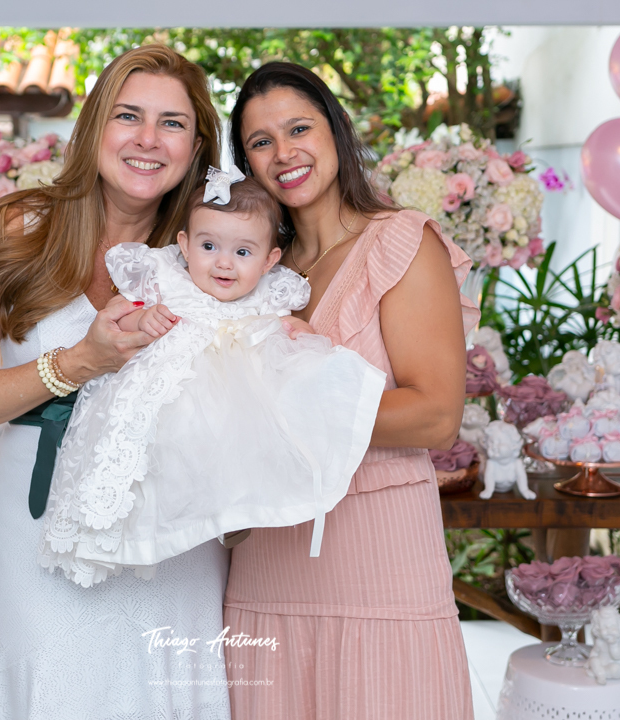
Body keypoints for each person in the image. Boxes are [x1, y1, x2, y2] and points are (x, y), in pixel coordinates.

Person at [0, 46, 231, 719]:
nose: (148, 140)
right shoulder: (17, 232)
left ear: (197, 145)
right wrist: (74, 364)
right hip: (40, 542)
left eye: (173, 123)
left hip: (172, 545)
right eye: (129, 115)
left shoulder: (213, 254)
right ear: (94, 125)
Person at [223, 62, 479, 719]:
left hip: (380, 565)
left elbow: (435, 416)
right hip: (266, 565)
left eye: (298, 128)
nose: (284, 153)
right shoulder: (250, 273)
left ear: (335, 131)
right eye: (260, 142)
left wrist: (279, 411)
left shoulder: (400, 243)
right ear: (245, 164)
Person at [39, 173, 385, 587]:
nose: (223, 262)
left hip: (235, 409)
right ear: (184, 245)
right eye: (208, 247)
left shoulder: (269, 295)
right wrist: (142, 317)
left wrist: (303, 334)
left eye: (242, 251)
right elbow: (123, 320)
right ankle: (138, 528)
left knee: (255, 436)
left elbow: (286, 331)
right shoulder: (169, 280)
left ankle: (237, 512)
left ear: (270, 260)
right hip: (171, 400)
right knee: (154, 454)